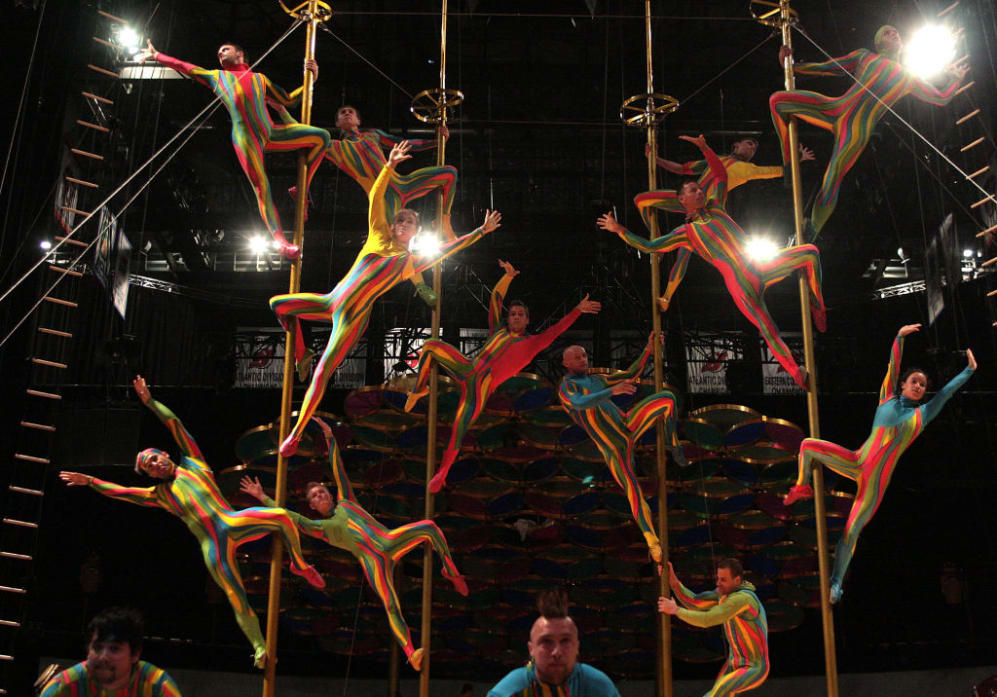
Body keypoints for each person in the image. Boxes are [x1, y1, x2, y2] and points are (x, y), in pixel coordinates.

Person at [59, 376, 325, 669]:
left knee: (283, 517)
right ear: (152, 475)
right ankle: (259, 648)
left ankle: (298, 563)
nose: (156, 465)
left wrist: (149, 401)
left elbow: (175, 424)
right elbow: (120, 493)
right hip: (214, 547)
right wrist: (91, 481)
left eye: (155, 458)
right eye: (150, 467)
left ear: (164, 454)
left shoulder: (194, 462)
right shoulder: (159, 494)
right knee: (237, 598)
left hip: (232, 522)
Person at [272, 141, 501, 457]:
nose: (402, 224)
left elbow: (450, 248)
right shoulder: (379, 231)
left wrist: (480, 231)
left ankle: (295, 435)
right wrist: (389, 165)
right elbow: (377, 196)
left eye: (408, 223)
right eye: (400, 221)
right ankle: (301, 352)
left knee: (324, 372)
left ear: (415, 232)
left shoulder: (411, 263)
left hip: (352, 318)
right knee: (278, 305)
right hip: (332, 301)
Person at [238, 417, 468, 671]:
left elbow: (339, 469)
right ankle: (411, 653)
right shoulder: (321, 529)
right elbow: (289, 517)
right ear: (313, 506)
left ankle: (450, 570)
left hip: (389, 540)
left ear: (329, 493)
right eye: (315, 497)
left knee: (429, 527)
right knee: (391, 604)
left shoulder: (347, 500)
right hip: (373, 562)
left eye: (322, 491)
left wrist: (329, 437)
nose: (320, 495)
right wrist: (263, 497)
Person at [604, 134, 827, 389]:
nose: (700, 191)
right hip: (741, 285)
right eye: (693, 190)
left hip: (760, 264)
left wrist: (705, 148)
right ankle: (796, 373)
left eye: (699, 188)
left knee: (810, 252)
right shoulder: (685, 235)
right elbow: (650, 246)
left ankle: (817, 304)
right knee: (768, 328)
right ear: (682, 200)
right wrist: (619, 229)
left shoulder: (717, 206)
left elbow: (720, 175)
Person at [783, 323, 976, 602]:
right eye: (915, 382)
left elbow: (945, 393)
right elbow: (893, 365)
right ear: (903, 385)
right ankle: (802, 486)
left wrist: (968, 371)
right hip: (855, 461)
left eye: (923, 385)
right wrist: (899, 337)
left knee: (851, 532)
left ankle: (836, 584)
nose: (919, 387)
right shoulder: (887, 397)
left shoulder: (922, 417)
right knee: (807, 446)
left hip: (874, 484)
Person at [405, 259, 602, 492]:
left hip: (478, 390)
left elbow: (556, 329)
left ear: (527, 320)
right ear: (508, 318)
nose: (516, 316)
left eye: (521, 314)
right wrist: (507, 277)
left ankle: (443, 472)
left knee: (459, 428)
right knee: (429, 346)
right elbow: (495, 299)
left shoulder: (531, 344)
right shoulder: (497, 331)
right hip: (467, 368)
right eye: (513, 314)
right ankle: (419, 389)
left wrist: (577, 310)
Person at [137, 39, 331, 259]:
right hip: (246, 140)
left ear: (240, 55)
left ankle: (300, 189)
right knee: (262, 188)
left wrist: (311, 81)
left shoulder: (260, 79)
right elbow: (186, 67)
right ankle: (281, 242)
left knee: (322, 136)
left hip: (271, 133)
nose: (219, 53)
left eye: (225, 49)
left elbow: (288, 100)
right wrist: (158, 56)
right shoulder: (217, 77)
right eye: (219, 51)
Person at [770, 27, 969, 235]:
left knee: (833, 177)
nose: (894, 33)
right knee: (777, 101)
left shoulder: (908, 77)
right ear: (878, 42)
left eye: (895, 31)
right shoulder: (864, 56)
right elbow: (828, 67)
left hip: (857, 129)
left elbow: (941, 97)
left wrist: (955, 80)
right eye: (887, 32)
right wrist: (792, 66)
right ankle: (788, 166)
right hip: (836, 108)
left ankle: (813, 230)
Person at [273, 103, 457, 306]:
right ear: (337, 123)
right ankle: (420, 286)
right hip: (384, 199)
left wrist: (437, 140)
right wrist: (281, 110)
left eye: (351, 111)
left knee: (449, 174)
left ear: (358, 120)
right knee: (399, 247)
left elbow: (403, 142)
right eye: (342, 113)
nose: (346, 113)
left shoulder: (373, 135)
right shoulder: (335, 147)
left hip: (401, 184)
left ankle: (445, 221)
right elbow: (301, 131)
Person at [640, 136, 814, 310]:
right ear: (736, 145)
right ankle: (656, 237)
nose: (753, 148)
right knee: (641, 200)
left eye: (755, 147)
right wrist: (654, 159)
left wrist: (799, 160)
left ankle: (667, 296)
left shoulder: (749, 169)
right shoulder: (716, 160)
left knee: (684, 252)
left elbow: (779, 171)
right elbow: (682, 169)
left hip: (707, 210)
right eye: (750, 143)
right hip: (689, 198)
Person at [558, 335, 684, 563]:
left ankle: (672, 443)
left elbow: (629, 375)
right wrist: (612, 392)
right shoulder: (568, 387)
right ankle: (651, 540)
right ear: (565, 363)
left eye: (584, 355)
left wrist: (647, 349)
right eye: (577, 357)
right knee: (633, 491)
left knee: (667, 398)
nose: (583, 359)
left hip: (628, 425)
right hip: (613, 448)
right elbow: (579, 403)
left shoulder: (597, 379)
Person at [658, 559, 769, 697]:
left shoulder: (743, 599)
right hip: (733, 663)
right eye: (718, 578)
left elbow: (707, 619)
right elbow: (695, 602)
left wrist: (676, 610)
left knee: (719, 691)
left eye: (723, 580)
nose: (718, 583)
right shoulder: (725, 594)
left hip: (753, 668)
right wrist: (673, 582)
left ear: (737, 580)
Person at [487, 589, 620, 697]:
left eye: (565, 641)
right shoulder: (508, 692)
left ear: (577, 647)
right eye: (546, 641)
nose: (557, 652)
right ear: (531, 649)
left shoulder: (599, 687)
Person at [40, 607, 182, 696]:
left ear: (135, 655)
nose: (103, 657)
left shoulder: (158, 687)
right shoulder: (64, 686)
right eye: (97, 647)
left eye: (114, 649)